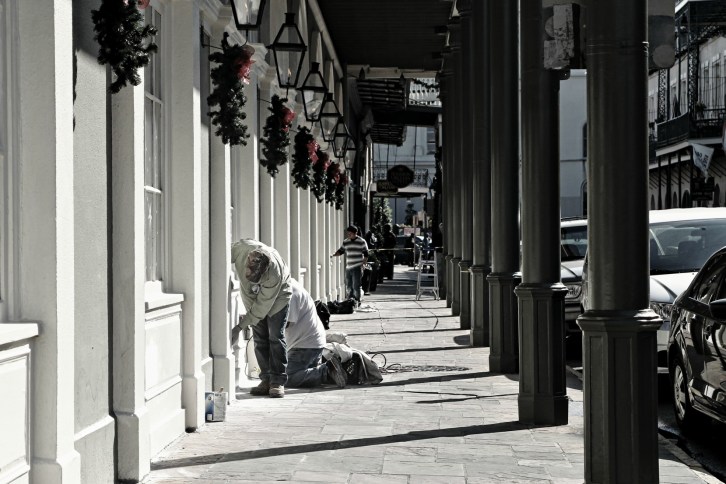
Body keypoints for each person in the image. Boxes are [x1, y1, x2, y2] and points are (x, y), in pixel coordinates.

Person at [231, 239, 292, 398]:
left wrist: (239, 327)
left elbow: (261, 308)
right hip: (252, 299)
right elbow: (217, 257)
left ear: (265, 271)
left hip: (278, 299)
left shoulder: (273, 274)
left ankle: (277, 381)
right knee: (259, 338)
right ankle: (266, 379)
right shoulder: (241, 250)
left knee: (274, 337)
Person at [285, 278, 347, 388]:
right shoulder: (290, 284)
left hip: (304, 345)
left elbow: (286, 323)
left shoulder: (290, 293)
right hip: (309, 342)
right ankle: (325, 369)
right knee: (290, 375)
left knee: (283, 378)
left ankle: (327, 371)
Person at [331, 225, 369, 305]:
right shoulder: (346, 241)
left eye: (350, 233)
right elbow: (341, 251)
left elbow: (366, 254)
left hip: (357, 266)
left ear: (356, 233)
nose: (349, 235)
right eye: (348, 233)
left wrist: (363, 264)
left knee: (356, 286)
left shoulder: (361, 241)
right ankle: (350, 301)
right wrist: (334, 254)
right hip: (349, 266)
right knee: (348, 286)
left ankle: (357, 301)